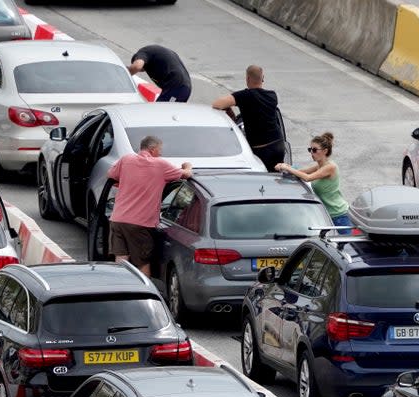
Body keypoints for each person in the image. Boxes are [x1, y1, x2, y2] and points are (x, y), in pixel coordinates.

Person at [107, 136, 193, 277]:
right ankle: (144, 294)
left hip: (118, 219)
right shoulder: (160, 165)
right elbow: (187, 175)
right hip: (140, 224)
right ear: (152, 150)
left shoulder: (126, 160)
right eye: (160, 150)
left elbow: (110, 174)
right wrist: (187, 166)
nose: (160, 153)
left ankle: (121, 289)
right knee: (142, 262)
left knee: (121, 260)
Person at [211, 65, 286, 170]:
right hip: (278, 144)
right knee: (277, 177)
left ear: (247, 79)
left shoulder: (245, 96)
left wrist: (229, 109)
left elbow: (217, 104)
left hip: (261, 149)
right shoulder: (272, 95)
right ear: (263, 78)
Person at [275, 133, 350, 233]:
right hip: (326, 214)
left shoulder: (330, 167)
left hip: (338, 215)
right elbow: (301, 172)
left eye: (314, 150)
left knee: (344, 247)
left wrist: (287, 168)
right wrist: (284, 166)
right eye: (310, 149)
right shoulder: (319, 166)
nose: (311, 153)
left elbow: (307, 178)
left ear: (325, 151)